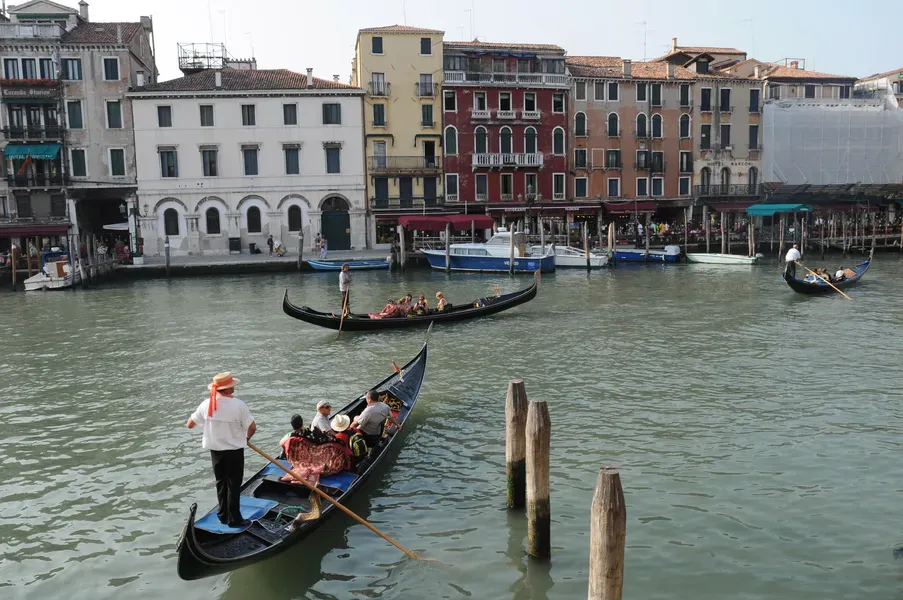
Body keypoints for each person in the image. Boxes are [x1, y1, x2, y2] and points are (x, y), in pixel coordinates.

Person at [186, 372, 256, 528]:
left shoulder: (207, 404)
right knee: (234, 484)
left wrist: (209, 423)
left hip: (216, 451)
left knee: (221, 483)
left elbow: (189, 424)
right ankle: (235, 519)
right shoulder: (238, 405)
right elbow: (252, 427)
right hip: (234, 451)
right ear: (229, 387)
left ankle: (223, 515)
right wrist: (246, 438)